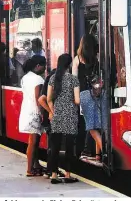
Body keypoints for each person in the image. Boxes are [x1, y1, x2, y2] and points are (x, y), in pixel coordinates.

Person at [47, 54, 80, 184]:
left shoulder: (53, 78)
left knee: (55, 146)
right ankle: (67, 174)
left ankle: (54, 175)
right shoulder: (73, 80)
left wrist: (52, 111)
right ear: (69, 64)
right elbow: (77, 100)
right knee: (69, 147)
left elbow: (49, 99)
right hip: (71, 116)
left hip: (57, 116)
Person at [72, 35, 103, 162]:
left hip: (84, 94)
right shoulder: (98, 58)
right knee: (97, 124)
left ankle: (102, 151)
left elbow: (74, 81)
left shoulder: (77, 59)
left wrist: (76, 98)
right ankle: (98, 155)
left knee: (90, 126)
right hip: (98, 93)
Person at [18, 55, 47, 177]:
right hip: (34, 113)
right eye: (44, 66)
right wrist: (42, 113)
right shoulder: (38, 80)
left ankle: (36, 165)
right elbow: (38, 98)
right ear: (38, 66)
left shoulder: (25, 77)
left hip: (26, 111)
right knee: (33, 142)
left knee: (34, 141)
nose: (45, 69)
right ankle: (30, 169)